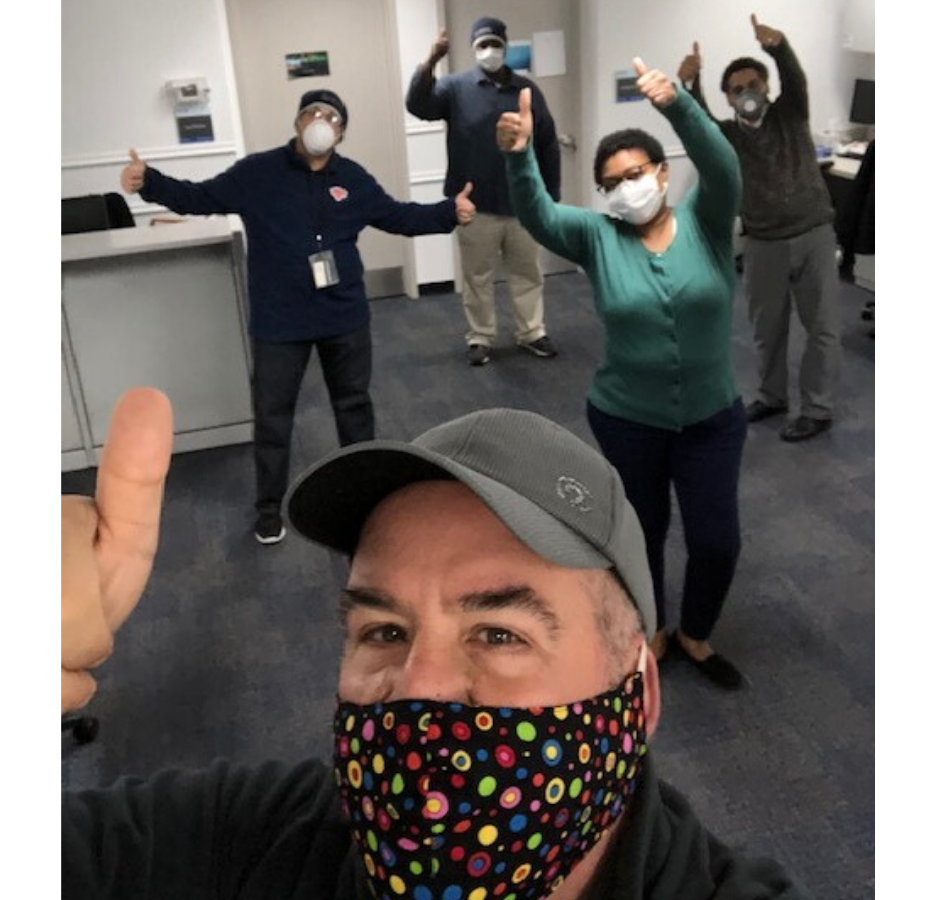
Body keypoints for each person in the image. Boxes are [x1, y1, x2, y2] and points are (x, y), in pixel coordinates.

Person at [62, 387, 809, 898]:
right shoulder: (263, 837)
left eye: (498, 633)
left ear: (639, 694)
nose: (418, 685)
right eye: (384, 631)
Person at [119, 89, 476, 545]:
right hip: (278, 321)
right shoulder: (257, 173)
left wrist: (449, 212)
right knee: (272, 417)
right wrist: (148, 181)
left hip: (343, 316)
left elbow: (398, 216)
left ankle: (364, 501)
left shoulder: (354, 179)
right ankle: (269, 509)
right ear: (297, 121)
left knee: (354, 410)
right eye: (312, 113)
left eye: (331, 116)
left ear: (342, 130)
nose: (320, 121)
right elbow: (200, 197)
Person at [496, 60, 746, 689]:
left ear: (662, 173)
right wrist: (520, 156)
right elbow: (540, 216)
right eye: (613, 183)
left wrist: (679, 104)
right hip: (628, 417)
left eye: (637, 174)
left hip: (712, 417)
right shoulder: (600, 235)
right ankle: (653, 631)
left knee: (717, 540)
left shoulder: (706, 224)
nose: (627, 188)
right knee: (644, 532)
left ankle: (695, 632)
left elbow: (724, 166)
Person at [677, 16, 841, 442]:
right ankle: (772, 396)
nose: (747, 94)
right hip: (763, 242)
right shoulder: (727, 136)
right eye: (737, 89)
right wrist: (689, 86)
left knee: (821, 327)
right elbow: (696, 126)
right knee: (767, 329)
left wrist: (779, 47)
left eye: (755, 85)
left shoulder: (791, 113)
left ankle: (818, 408)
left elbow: (796, 78)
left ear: (767, 87)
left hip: (813, 234)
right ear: (728, 99)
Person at [406, 16, 561, 366]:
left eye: (494, 44)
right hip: (475, 205)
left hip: (523, 202)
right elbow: (418, 106)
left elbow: (548, 142)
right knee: (478, 276)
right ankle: (480, 336)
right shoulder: (454, 87)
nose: (489, 51)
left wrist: (550, 195)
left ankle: (531, 331)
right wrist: (430, 61)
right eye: (481, 45)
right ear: (473, 49)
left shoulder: (527, 90)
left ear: (505, 47)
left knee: (527, 272)